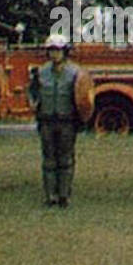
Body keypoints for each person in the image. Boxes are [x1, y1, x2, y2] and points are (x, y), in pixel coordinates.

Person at [29, 33, 92, 208]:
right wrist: (33, 103)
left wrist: (81, 118)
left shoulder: (75, 73)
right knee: (49, 160)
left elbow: (84, 97)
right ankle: (51, 195)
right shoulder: (41, 72)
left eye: (58, 50)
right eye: (51, 51)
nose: (54, 54)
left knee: (65, 159)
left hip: (67, 121)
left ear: (65, 52)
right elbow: (32, 91)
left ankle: (64, 195)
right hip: (47, 120)